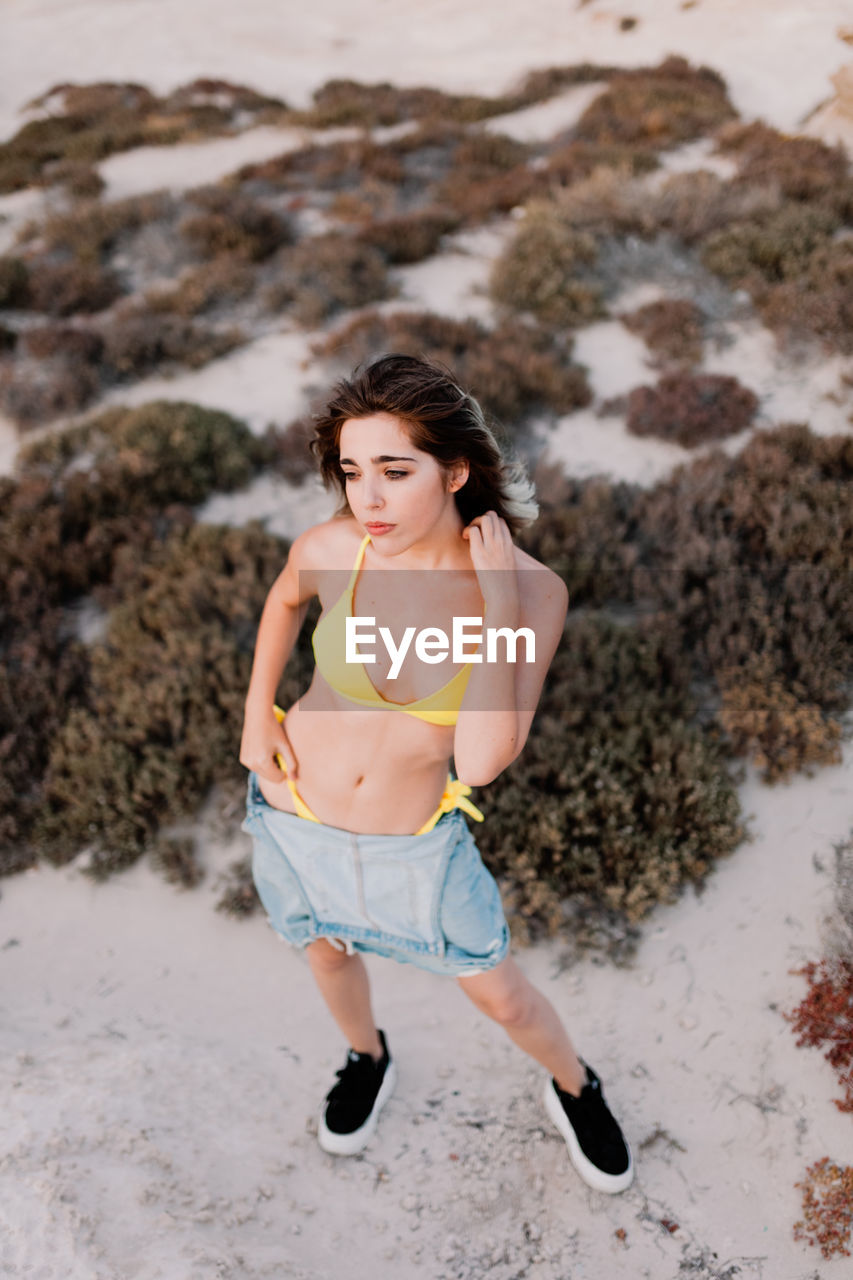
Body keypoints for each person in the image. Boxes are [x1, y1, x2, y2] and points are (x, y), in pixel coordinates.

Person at [239, 354, 633, 1194]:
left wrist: (495, 606)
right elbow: (282, 601)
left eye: (393, 471)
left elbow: (482, 761)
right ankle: (365, 1055)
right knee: (327, 955)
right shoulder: (335, 548)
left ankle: (575, 1087)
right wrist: (252, 717)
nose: (366, 499)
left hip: (412, 853)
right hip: (292, 814)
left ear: (454, 470)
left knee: (503, 998)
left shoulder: (531, 591)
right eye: (351, 472)